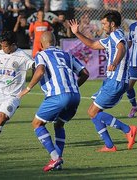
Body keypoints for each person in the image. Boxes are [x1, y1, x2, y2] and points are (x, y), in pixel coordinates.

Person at [18, 31, 89, 171]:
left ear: (40, 44)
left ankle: (55, 158)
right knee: (59, 125)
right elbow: (85, 73)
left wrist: (27, 88)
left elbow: (39, 71)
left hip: (58, 96)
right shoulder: (67, 54)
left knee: (37, 124)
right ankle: (58, 162)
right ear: (55, 42)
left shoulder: (41, 55)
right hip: (75, 96)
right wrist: (73, 86)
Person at [69, 10, 137, 152]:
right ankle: (109, 145)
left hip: (116, 80)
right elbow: (93, 45)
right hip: (113, 80)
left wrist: (115, 62)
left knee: (93, 112)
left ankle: (127, 129)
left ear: (112, 24)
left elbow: (122, 47)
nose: (103, 26)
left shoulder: (117, 34)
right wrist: (77, 32)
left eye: (105, 23)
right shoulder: (110, 37)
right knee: (92, 112)